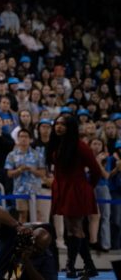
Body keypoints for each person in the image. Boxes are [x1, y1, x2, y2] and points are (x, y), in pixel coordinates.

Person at [47, 113, 105, 277]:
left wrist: (87, 188)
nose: (58, 126)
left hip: (76, 189)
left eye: (63, 124)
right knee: (74, 229)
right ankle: (89, 266)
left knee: (74, 229)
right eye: (57, 123)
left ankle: (70, 267)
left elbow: (95, 170)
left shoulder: (80, 146)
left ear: (70, 127)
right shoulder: (58, 143)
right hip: (64, 188)